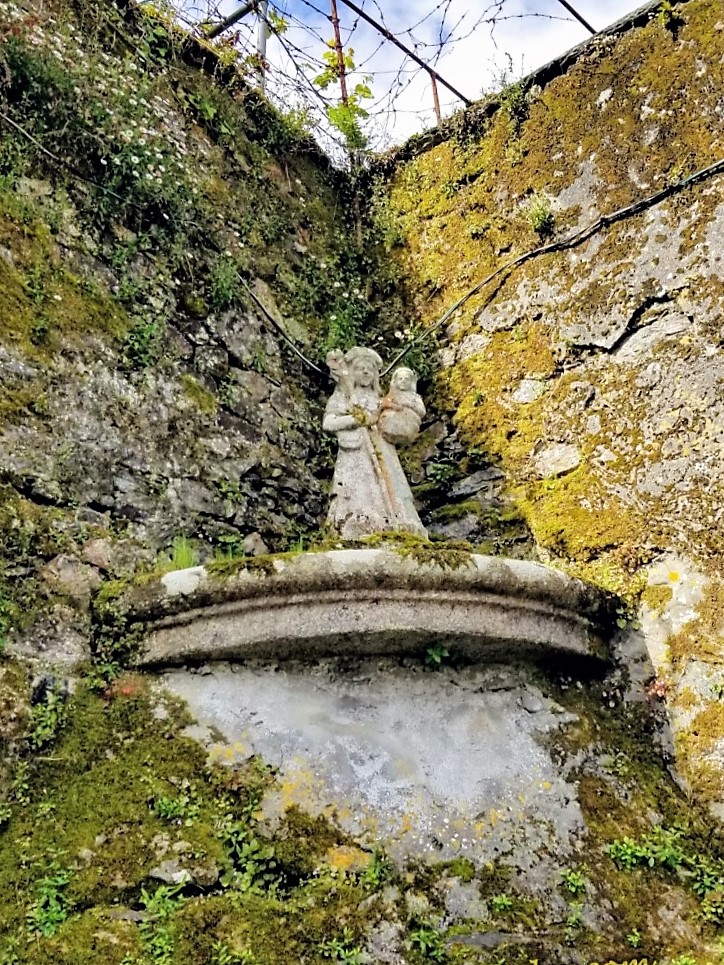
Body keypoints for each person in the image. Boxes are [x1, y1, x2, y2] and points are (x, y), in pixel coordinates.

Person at [323, 347, 427, 539]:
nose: (365, 372)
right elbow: (328, 423)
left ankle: (395, 520)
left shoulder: (381, 399)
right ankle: (356, 522)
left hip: (384, 453)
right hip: (355, 453)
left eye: (369, 369)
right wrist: (357, 420)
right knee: (357, 489)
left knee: (392, 486)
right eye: (360, 368)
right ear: (351, 372)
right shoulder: (343, 396)